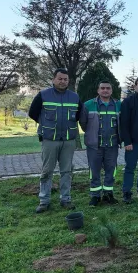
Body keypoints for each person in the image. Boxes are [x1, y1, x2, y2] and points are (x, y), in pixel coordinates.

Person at [29, 68, 82, 213]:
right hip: (50, 140)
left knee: (67, 171)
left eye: (65, 79)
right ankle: (44, 201)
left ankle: (66, 199)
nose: (62, 81)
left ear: (68, 81)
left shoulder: (74, 97)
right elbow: (33, 113)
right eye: (60, 79)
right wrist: (46, 125)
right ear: (53, 79)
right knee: (47, 171)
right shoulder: (43, 95)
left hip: (68, 140)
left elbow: (78, 115)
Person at [78, 80, 121, 207]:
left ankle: (108, 194)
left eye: (108, 88)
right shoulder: (88, 105)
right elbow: (83, 123)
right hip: (94, 146)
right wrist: (91, 135)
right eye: (102, 88)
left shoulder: (118, 105)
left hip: (112, 145)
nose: (105, 90)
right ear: (98, 90)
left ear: (111, 90)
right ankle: (95, 196)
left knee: (111, 170)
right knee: (94, 171)